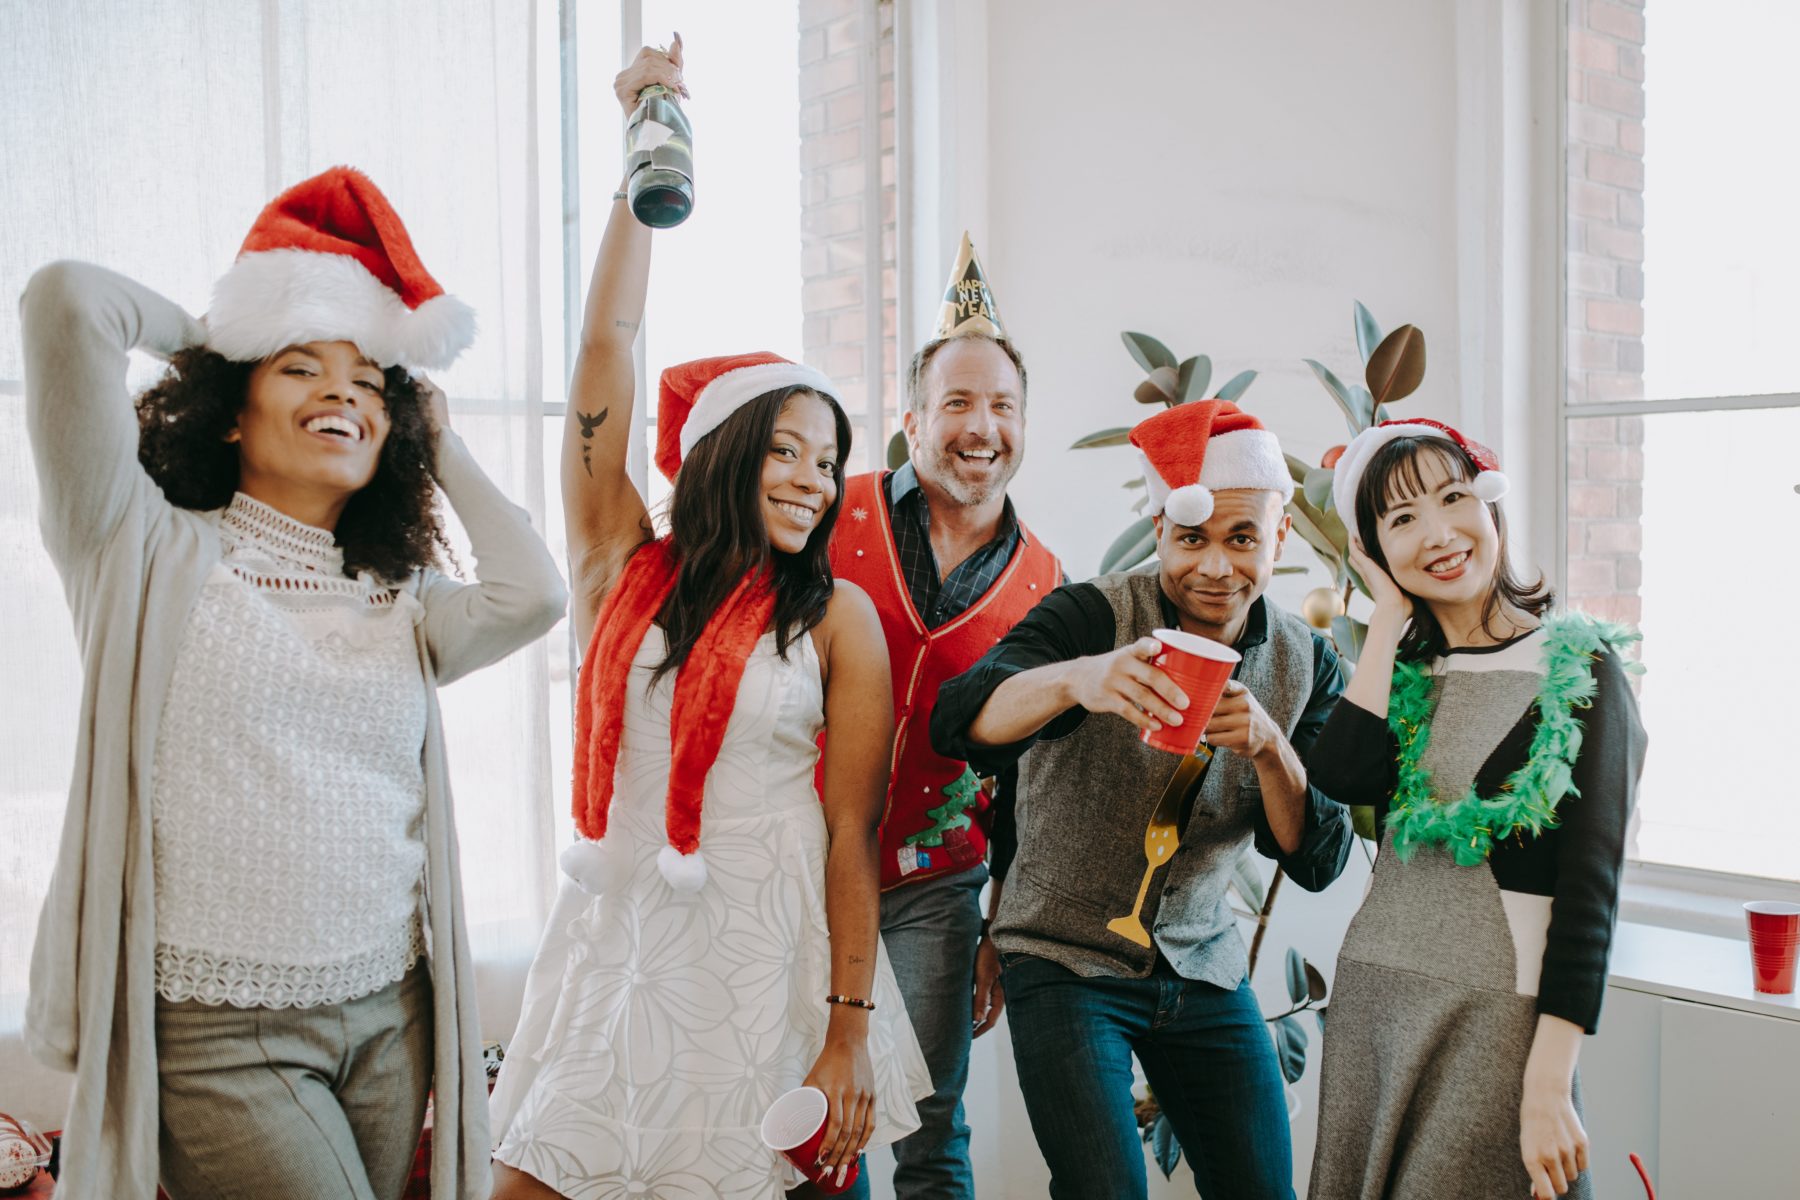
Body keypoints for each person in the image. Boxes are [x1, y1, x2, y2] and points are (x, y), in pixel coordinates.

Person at [19, 168, 567, 1200]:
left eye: (367, 383)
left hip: (389, 1017)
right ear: (229, 410)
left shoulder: (398, 592)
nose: (340, 395)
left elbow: (533, 594)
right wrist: (224, 334)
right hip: (224, 1034)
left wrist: (441, 443)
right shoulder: (138, 547)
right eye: (300, 369)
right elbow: (66, 300)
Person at [488, 40, 929, 1200]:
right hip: (617, 948)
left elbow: (851, 831)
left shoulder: (836, 621)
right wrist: (646, 149)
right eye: (786, 449)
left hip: (762, 965)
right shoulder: (616, 559)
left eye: (828, 460)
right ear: (722, 455)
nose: (812, 479)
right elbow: (605, 354)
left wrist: (844, 1030)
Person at [932, 399, 1353, 1200]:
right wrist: (1077, 679)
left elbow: (1319, 859)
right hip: (1062, 957)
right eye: (1191, 538)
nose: (1215, 567)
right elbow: (961, 719)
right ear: (1161, 529)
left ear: (1281, 538)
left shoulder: (1308, 662)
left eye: (1242, 539)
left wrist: (1272, 749)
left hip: (1201, 962)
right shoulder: (1090, 615)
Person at [1305, 419, 1646, 1200]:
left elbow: (1590, 893)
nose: (1439, 532)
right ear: (1375, 553)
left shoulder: (1577, 668)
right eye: (1401, 520)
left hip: (1493, 1023)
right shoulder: (1405, 676)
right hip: (1375, 1012)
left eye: (1453, 497)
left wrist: (1549, 1082)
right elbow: (1342, 774)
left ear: (1490, 506)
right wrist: (1386, 617)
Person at [826, 232, 1062, 1198]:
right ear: (914, 418)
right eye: (957, 402)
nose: (981, 426)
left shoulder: (1052, 586)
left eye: (1001, 406)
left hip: (937, 886)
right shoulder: (825, 517)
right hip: (796, 863)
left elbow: (1032, 785)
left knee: (929, 1131)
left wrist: (1000, 926)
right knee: (797, 1117)